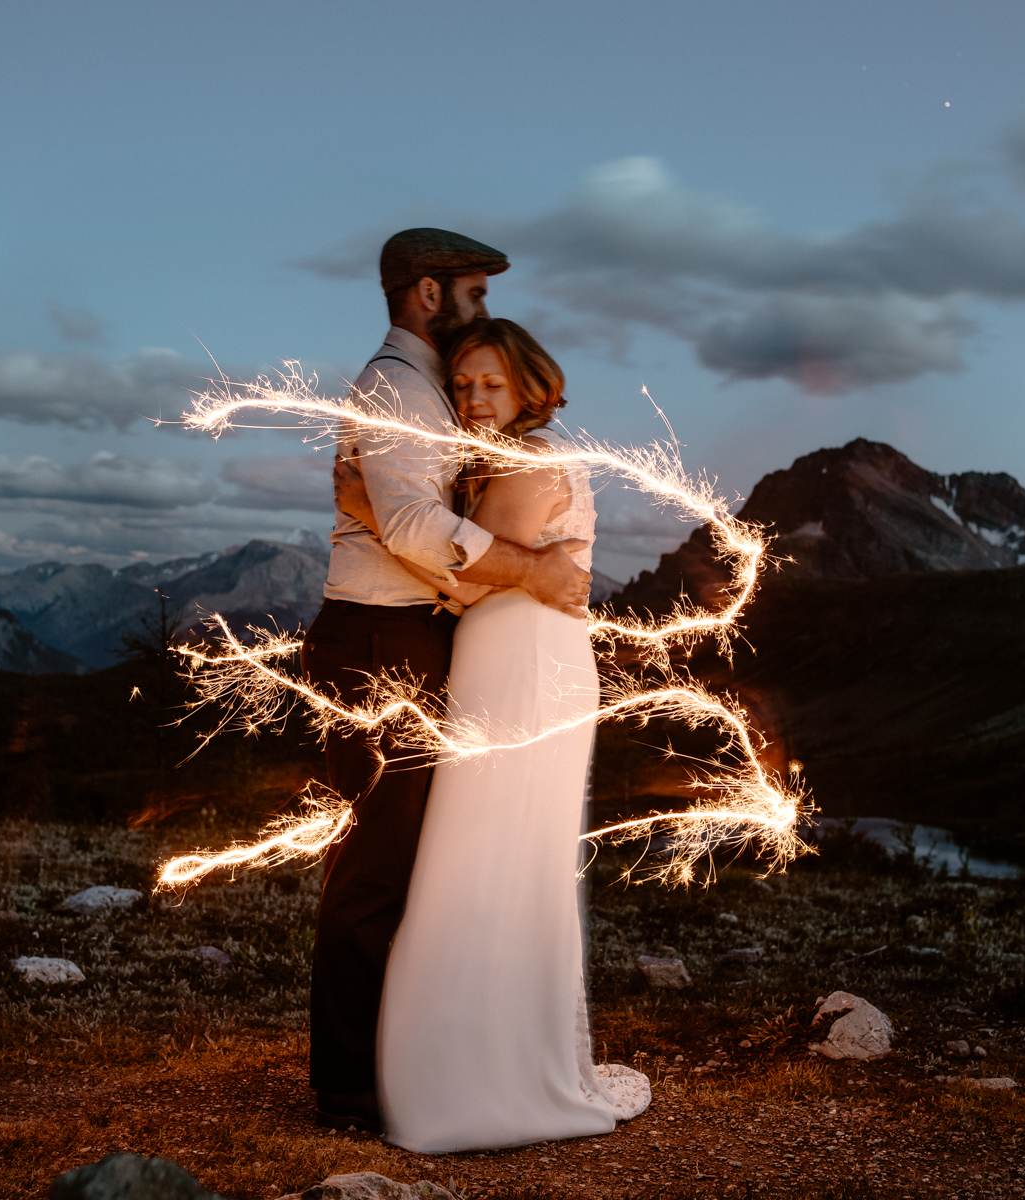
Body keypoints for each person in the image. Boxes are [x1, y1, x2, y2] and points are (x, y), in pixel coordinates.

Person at [336, 318, 651, 1152]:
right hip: (518, 664)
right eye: (465, 383)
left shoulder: (525, 461)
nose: (475, 398)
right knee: (497, 858)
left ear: (529, 388)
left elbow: (469, 579)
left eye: (492, 385)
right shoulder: (519, 456)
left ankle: (475, 1075)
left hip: (518, 669)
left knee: (479, 856)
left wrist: (374, 508)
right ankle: (490, 1055)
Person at [304, 230, 593, 1135]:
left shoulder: (430, 394)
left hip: (418, 638)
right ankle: (350, 1083)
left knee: (418, 853)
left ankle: (411, 1059)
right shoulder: (397, 388)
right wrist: (523, 568)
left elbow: (406, 519)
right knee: (381, 860)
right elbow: (417, 527)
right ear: (427, 293)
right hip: (379, 638)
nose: (483, 305)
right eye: (471, 289)